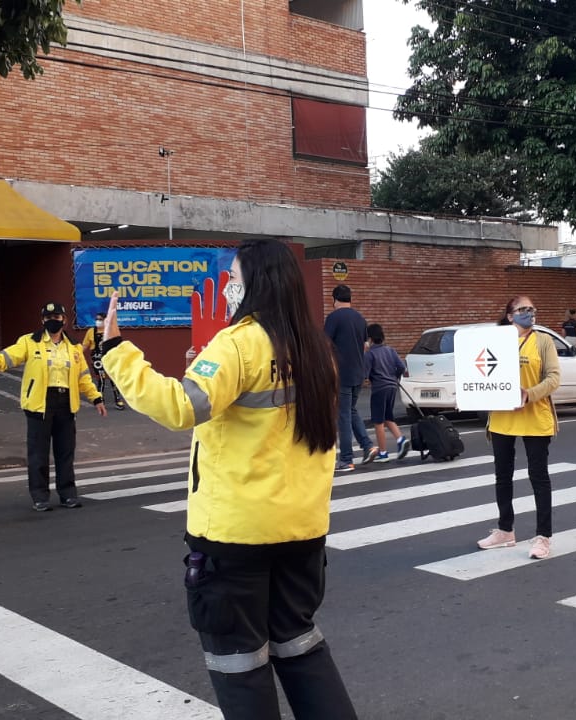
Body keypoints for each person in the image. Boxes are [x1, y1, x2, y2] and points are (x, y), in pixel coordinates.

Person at [98, 238, 359, 720]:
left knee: (239, 662)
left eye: (233, 280)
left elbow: (182, 407)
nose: (227, 290)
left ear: (255, 285)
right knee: (299, 647)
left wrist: (116, 350)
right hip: (301, 532)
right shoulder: (316, 348)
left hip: (237, 537)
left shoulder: (238, 343)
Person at [0, 302, 105, 511]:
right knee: (38, 454)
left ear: (64, 320)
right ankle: (40, 497)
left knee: (65, 453)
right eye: (49, 318)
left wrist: (96, 398)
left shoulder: (74, 347)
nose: (53, 321)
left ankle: (68, 495)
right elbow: (6, 358)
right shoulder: (30, 342)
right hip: (39, 404)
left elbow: (83, 377)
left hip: (66, 403)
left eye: (57, 317)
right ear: (42, 321)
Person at [477, 296, 562, 560]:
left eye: (532, 308)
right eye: (523, 309)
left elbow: (554, 377)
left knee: (539, 477)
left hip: (535, 417)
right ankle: (505, 530)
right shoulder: (496, 341)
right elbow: (481, 371)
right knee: (503, 475)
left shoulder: (543, 341)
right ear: (510, 316)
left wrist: (530, 393)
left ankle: (543, 537)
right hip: (503, 418)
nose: (529, 313)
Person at [324, 284, 376, 472]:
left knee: (343, 415)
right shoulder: (360, 319)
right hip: (358, 372)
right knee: (351, 411)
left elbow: (325, 345)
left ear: (335, 299)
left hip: (342, 373)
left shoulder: (333, 318)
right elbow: (365, 346)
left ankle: (346, 459)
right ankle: (368, 445)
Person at [364, 323, 409, 462]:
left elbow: (365, 374)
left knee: (378, 422)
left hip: (379, 389)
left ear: (369, 338)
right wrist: (393, 377)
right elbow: (402, 367)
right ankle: (401, 439)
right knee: (388, 417)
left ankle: (383, 453)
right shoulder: (390, 350)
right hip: (392, 387)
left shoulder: (370, 354)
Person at [82, 312, 126, 410]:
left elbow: (117, 345)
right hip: (97, 358)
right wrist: (77, 354)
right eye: (97, 319)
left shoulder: (111, 331)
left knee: (114, 379)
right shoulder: (91, 331)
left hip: (110, 357)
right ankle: (100, 400)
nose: (98, 321)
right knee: (101, 379)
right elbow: (85, 345)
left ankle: (118, 400)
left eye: (100, 319)